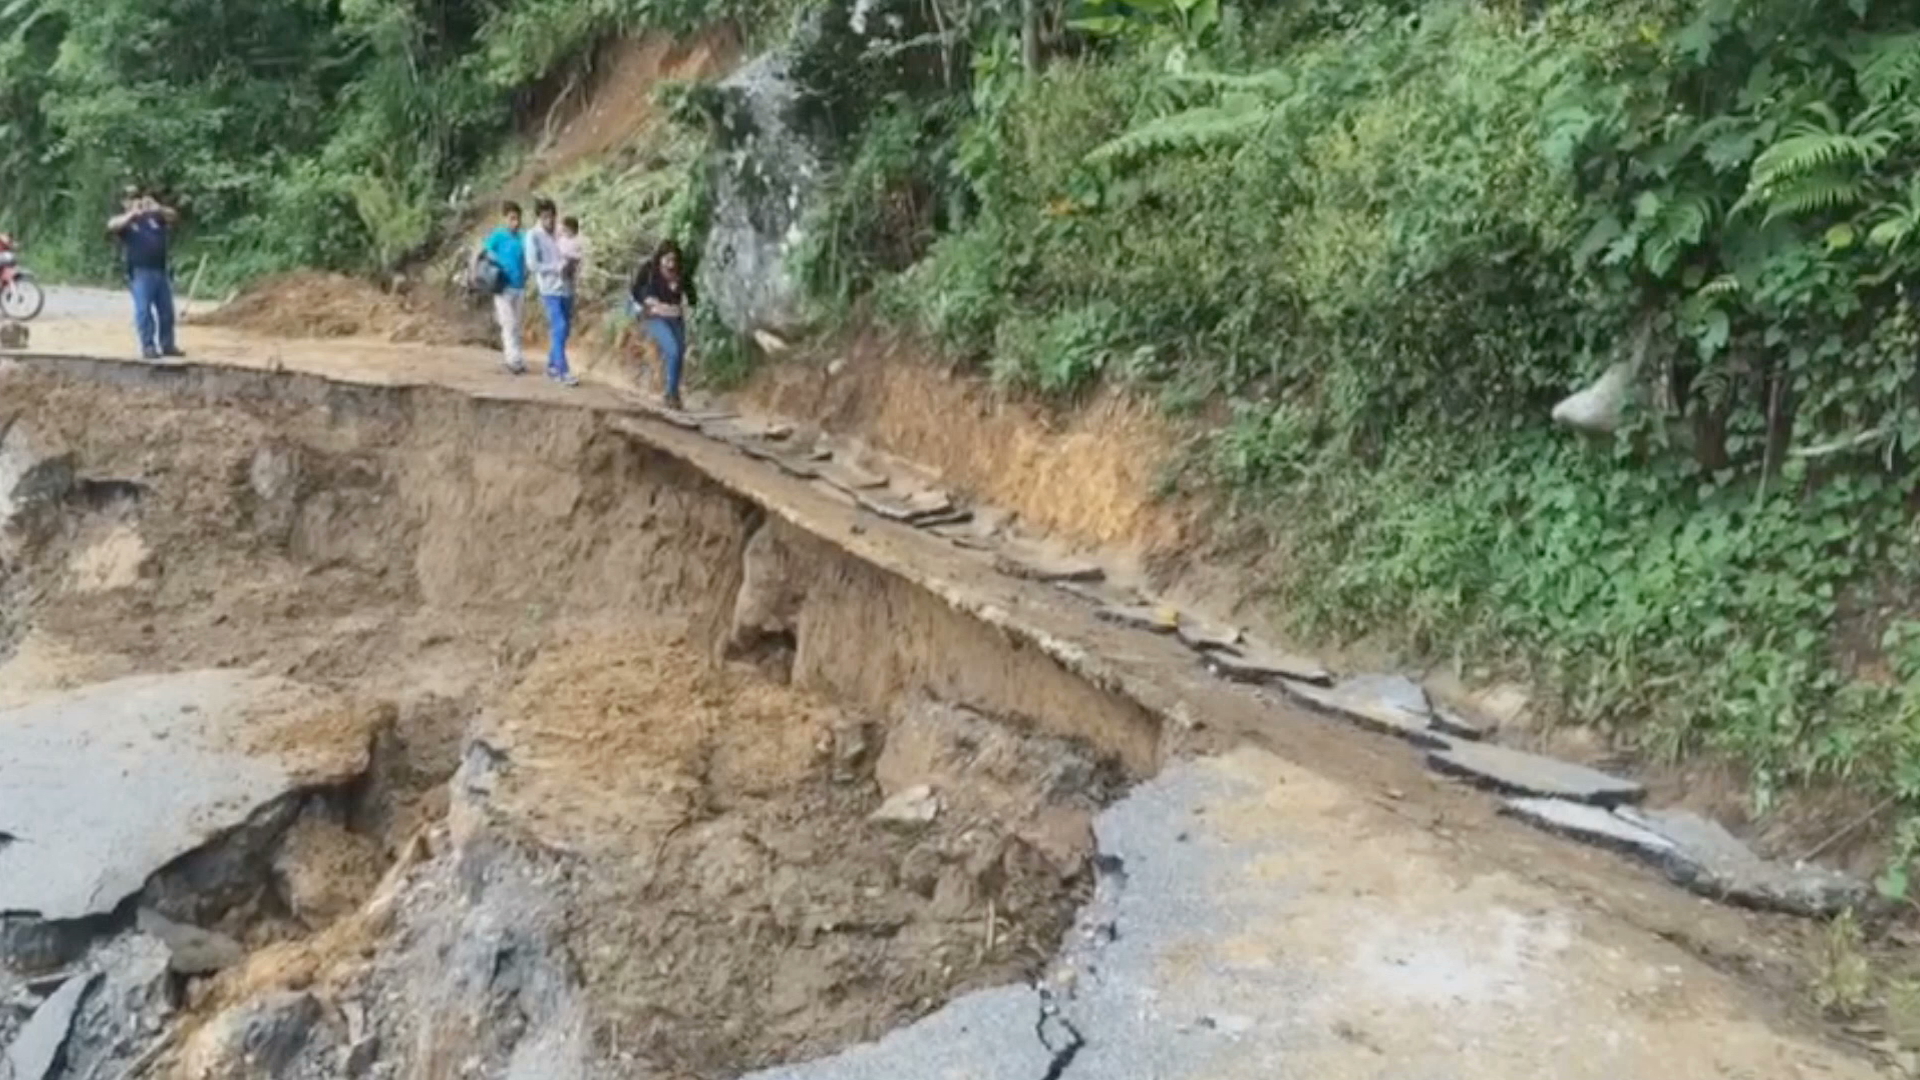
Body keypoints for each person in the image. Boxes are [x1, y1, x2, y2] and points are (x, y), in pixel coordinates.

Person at [106, 185, 182, 360]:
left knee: (167, 311)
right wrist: (132, 214)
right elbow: (112, 225)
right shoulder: (126, 223)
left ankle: (167, 344)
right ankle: (148, 346)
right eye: (130, 199)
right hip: (140, 271)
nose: (136, 201)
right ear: (124, 203)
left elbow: (173, 216)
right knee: (144, 311)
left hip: (160, 270)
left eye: (137, 198)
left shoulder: (154, 217)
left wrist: (157, 208)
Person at [629, 239, 696, 410]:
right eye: (667, 260)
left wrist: (688, 304)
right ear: (660, 258)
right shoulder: (649, 270)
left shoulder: (681, 273)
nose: (671, 264)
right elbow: (635, 290)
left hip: (675, 316)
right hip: (654, 317)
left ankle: (673, 392)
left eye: (674, 260)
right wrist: (647, 300)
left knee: (679, 353)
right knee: (672, 349)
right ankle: (670, 394)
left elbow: (692, 295)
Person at [524, 198, 577, 387]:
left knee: (564, 329)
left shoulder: (561, 232)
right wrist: (555, 267)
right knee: (559, 326)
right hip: (549, 289)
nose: (549, 221)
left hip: (567, 286)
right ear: (539, 217)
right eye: (545, 217)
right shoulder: (533, 236)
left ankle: (553, 365)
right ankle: (563, 370)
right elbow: (532, 265)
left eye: (552, 216)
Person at [476, 201, 529, 374]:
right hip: (502, 286)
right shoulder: (498, 236)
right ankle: (513, 359)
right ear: (505, 219)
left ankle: (516, 357)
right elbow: (485, 252)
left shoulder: (523, 237)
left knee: (517, 325)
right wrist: (494, 264)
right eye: (512, 218)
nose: (515, 222)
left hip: (519, 286)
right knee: (509, 323)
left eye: (517, 219)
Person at [558, 215, 584, 295]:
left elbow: (579, 255)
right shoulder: (561, 240)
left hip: (571, 265)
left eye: (568, 230)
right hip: (561, 266)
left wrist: (570, 256)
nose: (566, 232)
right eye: (564, 230)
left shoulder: (576, 241)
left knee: (569, 284)